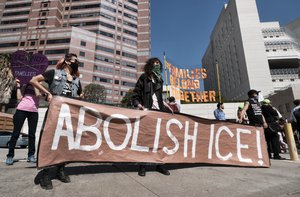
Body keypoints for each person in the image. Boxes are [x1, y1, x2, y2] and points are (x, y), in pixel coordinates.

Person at [30, 53, 83, 190]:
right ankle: (45, 174)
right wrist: (47, 93)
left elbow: (81, 94)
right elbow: (34, 80)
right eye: (74, 60)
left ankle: (60, 170)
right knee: (50, 141)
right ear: (67, 61)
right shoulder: (54, 73)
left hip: (69, 115)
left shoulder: (77, 80)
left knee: (64, 142)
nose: (77, 62)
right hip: (54, 114)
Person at [132, 57, 172, 177]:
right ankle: (142, 166)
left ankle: (160, 165)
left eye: (158, 64)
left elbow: (158, 97)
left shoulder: (160, 80)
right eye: (155, 64)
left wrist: (167, 105)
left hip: (159, 113)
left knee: (160, 140)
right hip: (147, 113)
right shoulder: (144, 78)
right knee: (145, 140)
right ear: (150, 65)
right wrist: (140, 106)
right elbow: (135, 94)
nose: (157, 66)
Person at [5, 79, 41, 165]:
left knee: (32, 134)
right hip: (21, 109)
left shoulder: (38, 82)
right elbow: (19, 97)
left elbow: (38, 94)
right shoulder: (23, 82)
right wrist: (19, 85)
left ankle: (31, 155)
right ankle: (10, 156)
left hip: (33, 111)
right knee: (15, 133)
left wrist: (34, 83)